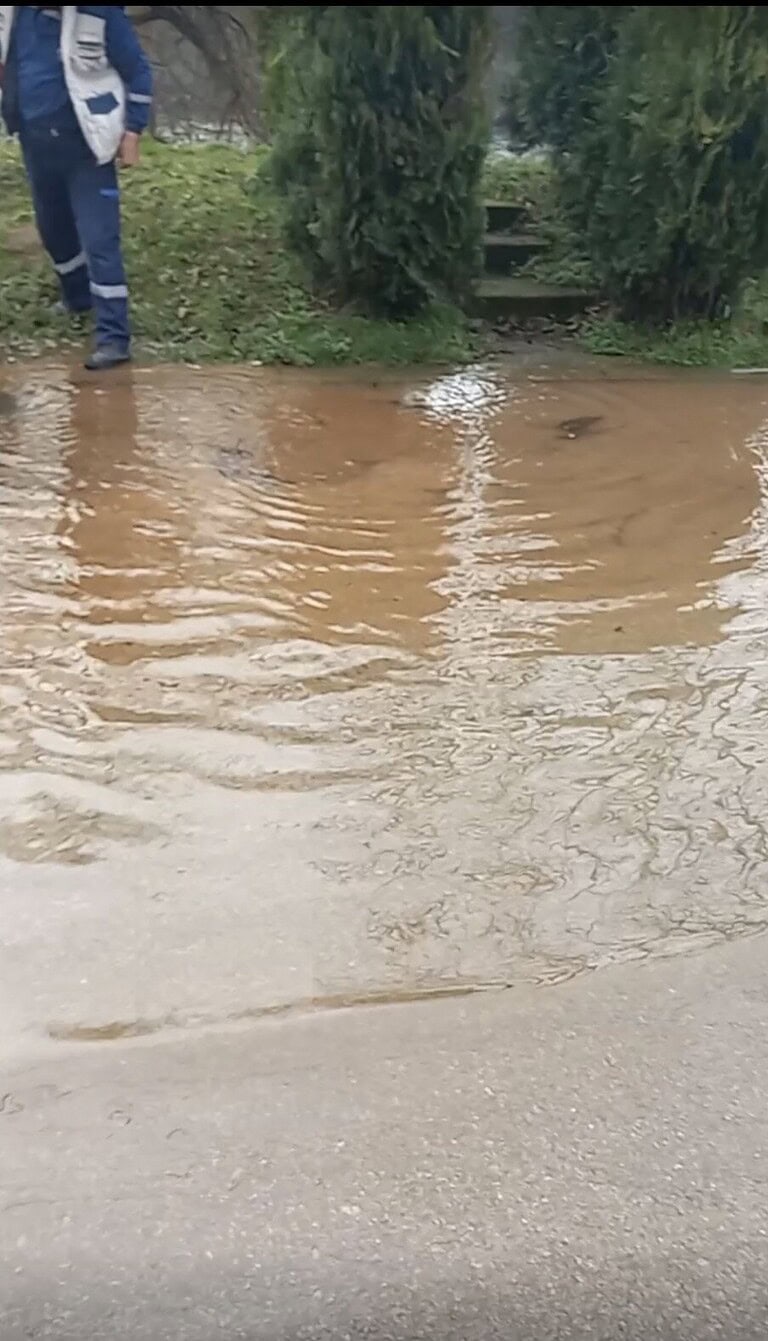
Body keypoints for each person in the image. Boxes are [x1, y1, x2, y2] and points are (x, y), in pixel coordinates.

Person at [0, 6, 152, 370]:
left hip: (87, 146)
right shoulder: (12, 14)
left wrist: (133, 131)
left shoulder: (100, 13)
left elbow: (139, 72)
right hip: (35, 141)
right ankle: (77, 298)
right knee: (53, 231)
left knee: (100, 240)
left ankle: (114, 337)